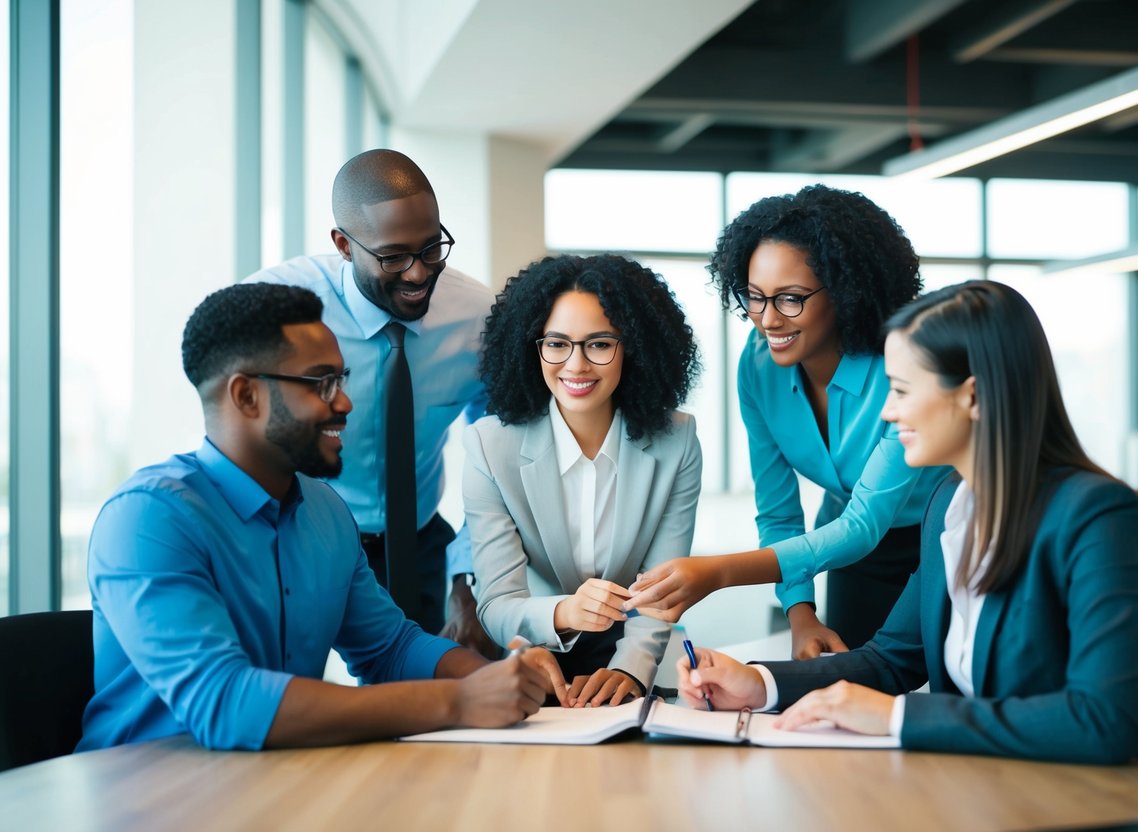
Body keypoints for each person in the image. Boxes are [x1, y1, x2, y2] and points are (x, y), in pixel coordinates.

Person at [676, 280, 1138, 764]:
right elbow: (891, 659)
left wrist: (896, 718)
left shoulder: (1095, 515)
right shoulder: (950, 504)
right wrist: (758, 683)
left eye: (902, 390)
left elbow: (1104, 721)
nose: (888, 411)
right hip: (986, 788)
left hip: (1095, 800)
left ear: (972, 396)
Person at [78, 283, 566, 752]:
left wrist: (497, 679)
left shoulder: (325, 511)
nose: (345, 402)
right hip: (145, 794)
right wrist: (459, 700)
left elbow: (389, 649)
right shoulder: (148, 519)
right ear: (246, 396)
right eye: (321, 383)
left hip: (272, 783)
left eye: (342, 379)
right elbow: (224, 703)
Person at [627, 185, 947, 658]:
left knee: (943, 690)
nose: (768, 320)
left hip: (943, 534)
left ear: (845, 292)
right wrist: (800, 613)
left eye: (791, 298)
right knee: (853, 690)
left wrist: (718, 572)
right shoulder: (758, 366)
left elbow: (865, 523)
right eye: (755, 297)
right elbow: (779, 513)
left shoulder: (898, 366)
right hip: (846, 548)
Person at [246, 149, 495, 655]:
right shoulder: (277, 305)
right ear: (342, 244)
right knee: (283, 690)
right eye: (394, 257)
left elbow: (502, 453)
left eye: (431, 249)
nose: (419, 274)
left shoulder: (478, 317)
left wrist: (470, 577)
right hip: (300, 536)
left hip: (420, 540)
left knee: (438, 691)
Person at [463, 254, 703, 706]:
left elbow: (661, 584)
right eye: (556, 344)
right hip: (532, 646)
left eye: (598, 344)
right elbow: (497, 604)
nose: (575, 365)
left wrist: (631, 668)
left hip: (635, 648)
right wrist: (566, 610)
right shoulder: (489, 447)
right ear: (532, 347)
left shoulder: (678, 441)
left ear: (631, 347)